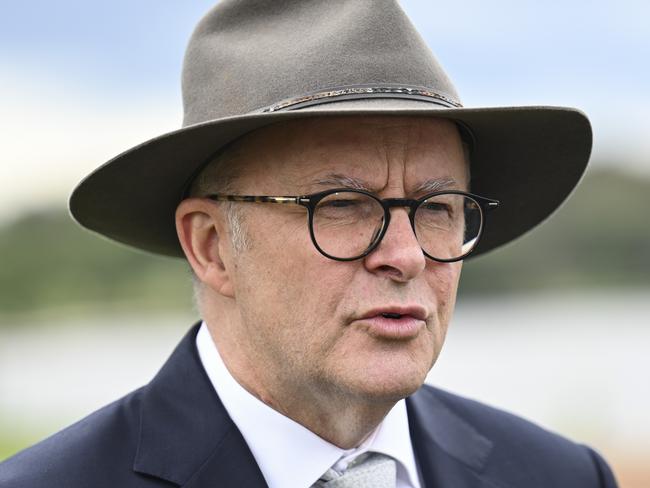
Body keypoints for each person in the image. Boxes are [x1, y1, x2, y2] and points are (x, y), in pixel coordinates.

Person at [0, 1, 618, 487]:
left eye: (436, 208)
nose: (405, 256)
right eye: (343, 206)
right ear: (212, 246)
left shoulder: (559, 475)